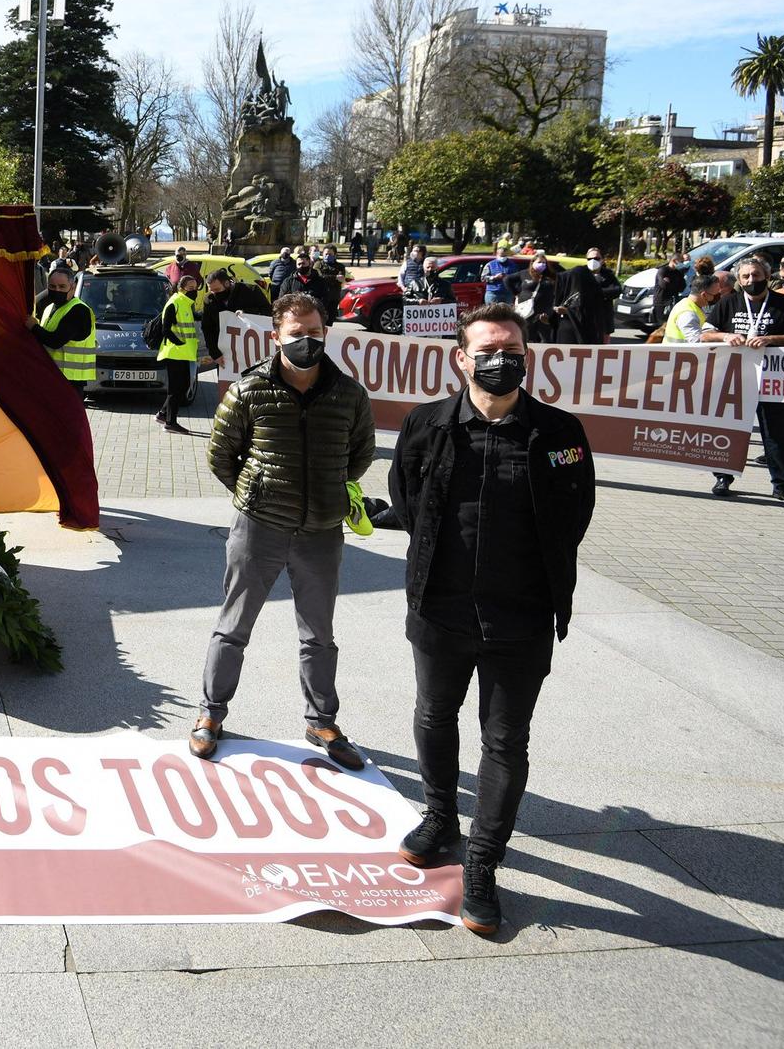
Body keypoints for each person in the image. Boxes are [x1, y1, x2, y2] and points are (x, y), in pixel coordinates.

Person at [388, 302, 595, 937]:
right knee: (433, 715)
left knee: (505, 742)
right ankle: (440, 816)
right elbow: (406, 498)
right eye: (486, 351)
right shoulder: (427, 424)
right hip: (441, 610)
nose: (498, 361)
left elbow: (575, 514)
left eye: (510, 350)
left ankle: (482, 865)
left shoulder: (560, 433)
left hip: (522, 617)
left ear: (527, 359)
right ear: (461, 359)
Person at [197, 292, 375, 770]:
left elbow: (359, 457)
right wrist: (256, 497)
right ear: (276, 336)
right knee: (233, 627)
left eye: (314, 333)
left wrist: (326, 495)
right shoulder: (249, 389)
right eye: (296, 335)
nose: (306, 342)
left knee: (319, 634)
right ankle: (211, 714)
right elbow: (221, 455)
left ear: (326, 333)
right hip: (259, 529)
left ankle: (322, 720)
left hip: (321, 533)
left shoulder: (349, 394)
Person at [701, 257, 784, 505]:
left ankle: (783, 486)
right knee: (729, 430)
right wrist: (727, 335)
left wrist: (770, 339)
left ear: (767, 277)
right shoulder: (729, 302)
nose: (752, 280)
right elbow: (705, 334)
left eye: (757, 275)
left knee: (777, 434)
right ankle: (723, 477)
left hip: (774, 380)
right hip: (735, 379)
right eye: (746, 276)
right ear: (738, 280)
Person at [30, 264, 96, 401]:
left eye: (62, 287)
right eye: (52, 287)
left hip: (70, 381)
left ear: (72, 287)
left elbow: (55, 341)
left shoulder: (79, 311)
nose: (56, 290)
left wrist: (33, 327)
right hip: (51, 377)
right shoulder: (50, 308)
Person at [154, 267, 204, 434]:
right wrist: (180, 343)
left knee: (182, 387)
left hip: (183, 353)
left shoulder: (185, 303)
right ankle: (170, 422)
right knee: (176, 390)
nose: (194, 291)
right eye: (191, 288)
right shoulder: (174, 303)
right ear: (181, 288)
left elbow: (195, 317)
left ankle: (162, 414)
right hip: (175, 352)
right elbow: (165, 329)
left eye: (196, 288)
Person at [662, 273, 724, 343]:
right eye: (715, 295)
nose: (719, 297)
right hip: (682, 352)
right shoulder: (687, 314)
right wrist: (723, 337)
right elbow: (697, 342)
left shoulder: (690, 304)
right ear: (704, 295)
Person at [286, 250, 340, 323]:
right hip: (295, 317)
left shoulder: (320, 281)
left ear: (310, 264)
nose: (301, 266)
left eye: (303, 263)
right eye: (299, 264)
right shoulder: (289, 281)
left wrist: (313, 309)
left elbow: (325, 299)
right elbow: (284, 299)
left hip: (315, 317)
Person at [652, 250, 689, 330]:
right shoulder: (663, 270)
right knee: (661, 326)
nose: (682, 263)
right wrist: (674, 284)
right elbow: (664, 285)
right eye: (681, 261)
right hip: (661, 302)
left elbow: (682, 287)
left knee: (671, 326)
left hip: (673, 301)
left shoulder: (678, 273)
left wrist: (671, 283)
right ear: (674, 261)